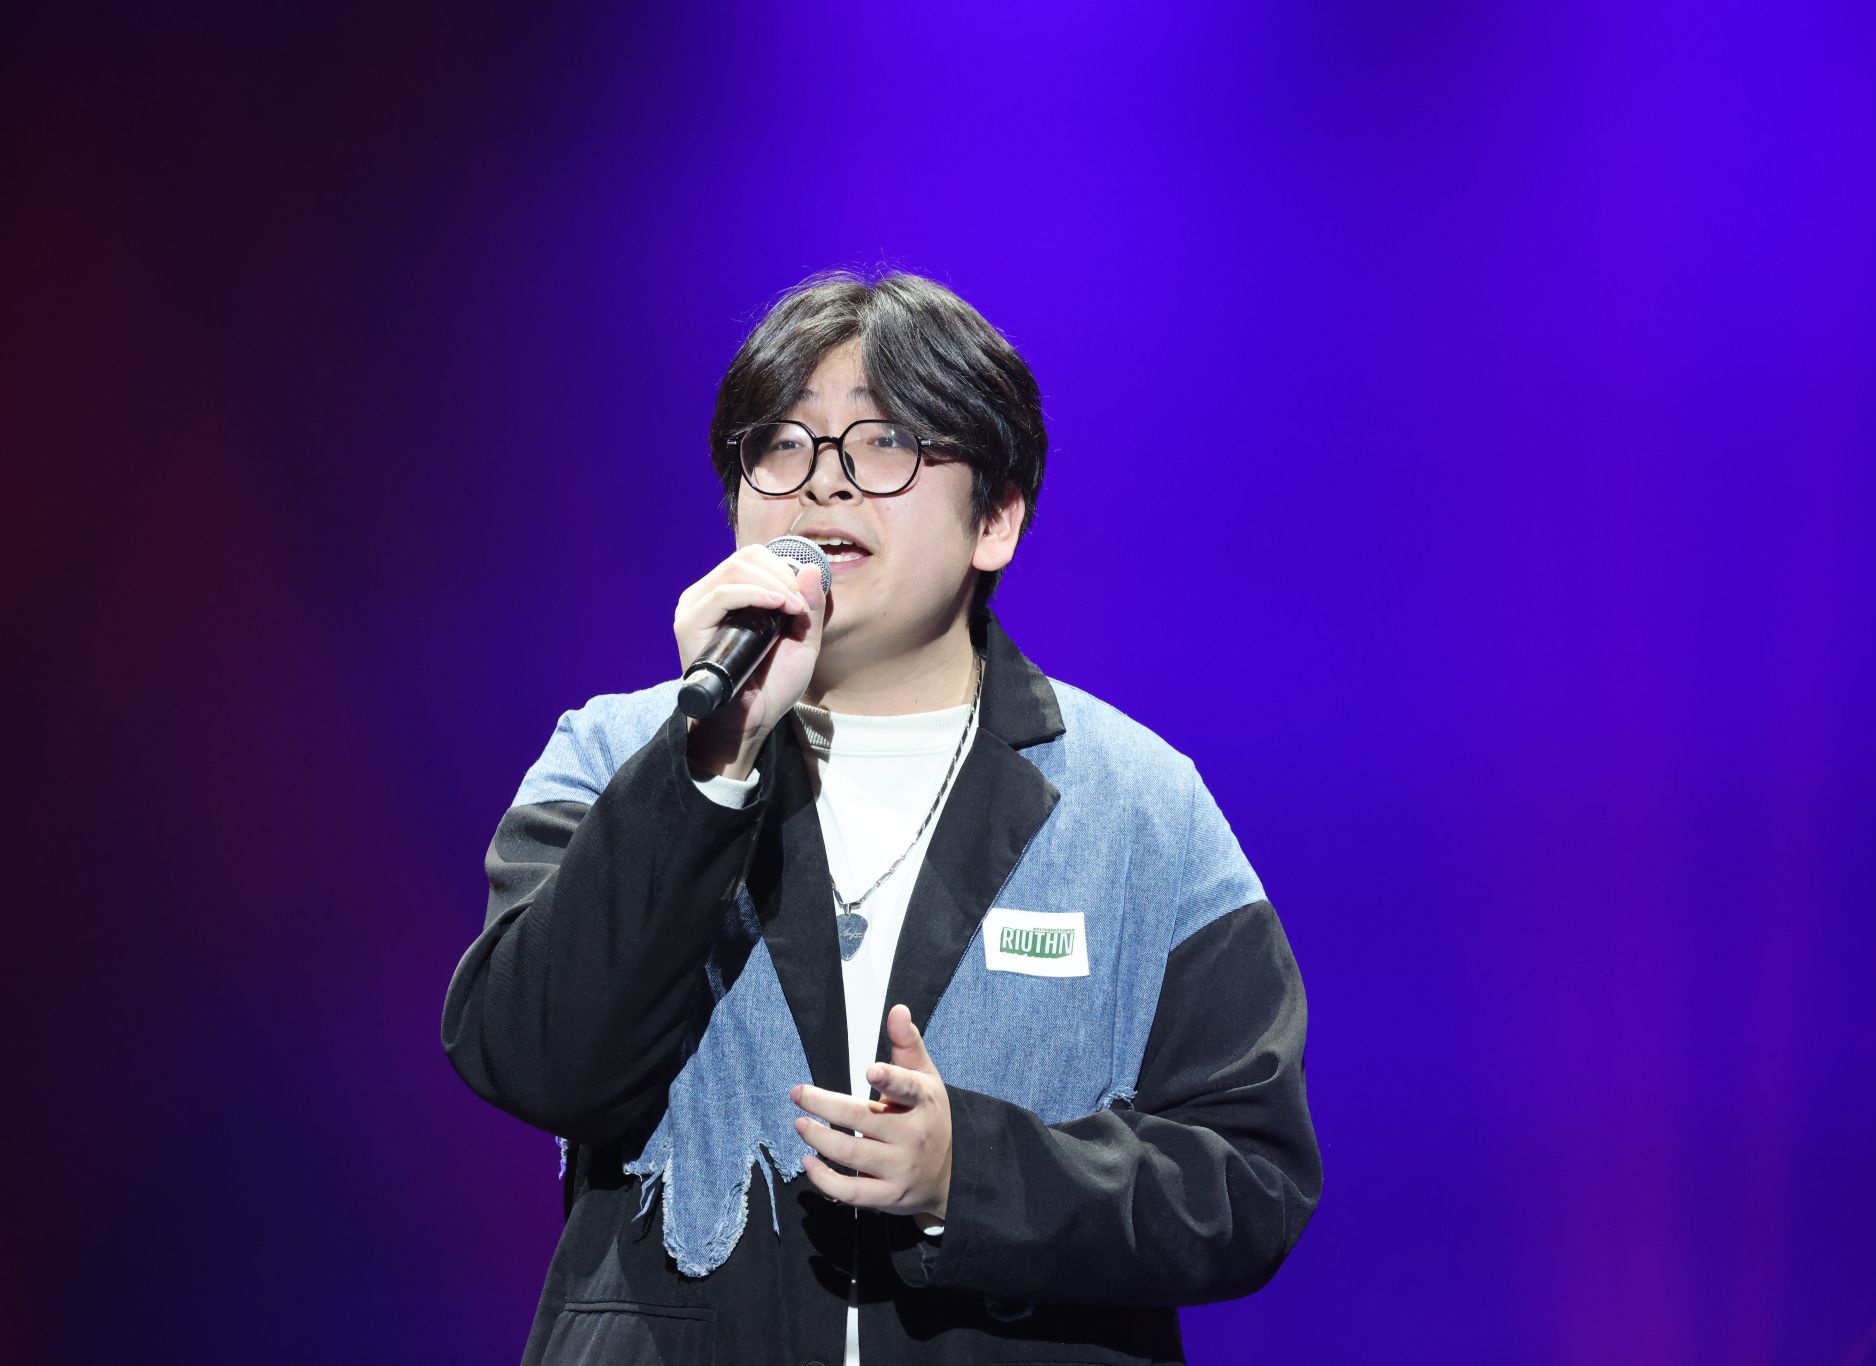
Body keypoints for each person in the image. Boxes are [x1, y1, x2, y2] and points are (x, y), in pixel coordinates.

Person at [442, 270, 1320, 1365]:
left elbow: (1250, 1179)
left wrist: (971, 1175)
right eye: (780, 445)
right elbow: (531, 1060)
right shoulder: (615, 753)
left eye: (885, 443)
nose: (822, 482)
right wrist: (705, 766)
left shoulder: (1136, 801)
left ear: (995, 519)